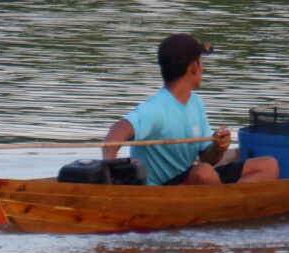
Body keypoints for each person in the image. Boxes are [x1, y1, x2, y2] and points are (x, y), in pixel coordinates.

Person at [103, 33, 278, 186]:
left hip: (192, 181)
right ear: (193, 67)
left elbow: (207, 158)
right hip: (166, 189)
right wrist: (109, 173)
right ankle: (226, 202)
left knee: (268, 165)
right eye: (201, 62)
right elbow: (115, 132)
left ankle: (226, 200)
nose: (204, 68)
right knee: (203, 172)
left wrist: (218, 148)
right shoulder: (157, 108)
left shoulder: (196, 103)